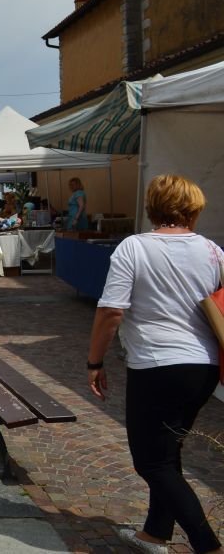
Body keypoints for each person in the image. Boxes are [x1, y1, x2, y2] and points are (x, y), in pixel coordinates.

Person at [87, 175, 221, 554]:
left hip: (157, 365)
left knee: (152, 463)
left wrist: (94, 360)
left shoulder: (135, 247)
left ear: (151, 208)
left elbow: (112, 310)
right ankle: (155, 534)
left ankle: (207, 545)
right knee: (167, 453)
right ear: (193, 210)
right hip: (203, 366)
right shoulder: (212, 251)